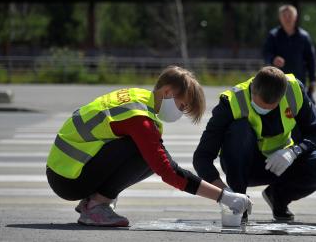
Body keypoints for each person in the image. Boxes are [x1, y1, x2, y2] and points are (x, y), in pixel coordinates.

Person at [46, 66, 252, 227]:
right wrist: (224, 197)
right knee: (146, 154)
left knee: (149, 154)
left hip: (64, 170)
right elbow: (168, 170)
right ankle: (96, 206)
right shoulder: (140, 119)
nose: (180, 113)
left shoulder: (138, 97)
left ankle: (95, 202)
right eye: (182, 106)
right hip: (68, 179)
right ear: (168, 92)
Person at [193, 66, 316, 222]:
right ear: (252, 90)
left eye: (271, 107)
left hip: (281, 163)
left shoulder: (294, 91)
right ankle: (239, 204)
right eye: (260, 105)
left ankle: (279, 198)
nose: (264, 110)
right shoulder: (231, 102)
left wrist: (293, 151)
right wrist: (225, 194)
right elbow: (202, 157)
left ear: (281, 96)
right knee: (239, 129)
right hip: (245, 167)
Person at [262, 4, 316, 103]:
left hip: (299, 81)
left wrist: (313, 80)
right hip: (277, 81)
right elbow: (266, 53)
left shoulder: (304, 37)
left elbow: (311, 60)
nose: (287, 18)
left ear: (295, 17)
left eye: (290, 15)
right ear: (280, 18)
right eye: (284, 15)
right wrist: (272, 59)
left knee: (299, 111)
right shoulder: (273, 35)